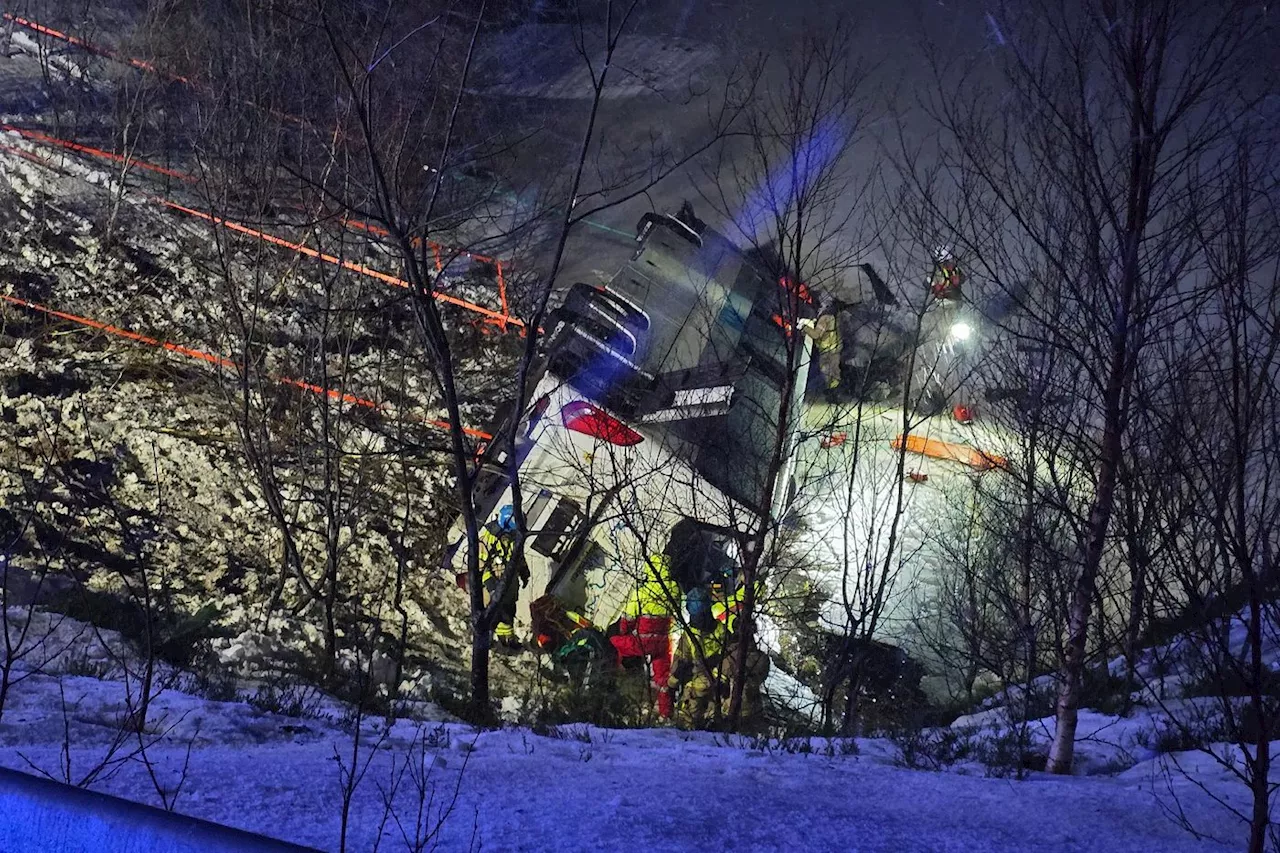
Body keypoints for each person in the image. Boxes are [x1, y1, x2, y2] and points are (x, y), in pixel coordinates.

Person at [609, 552, 678, 718]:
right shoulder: (675, 588)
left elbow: (629, 618)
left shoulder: (643, 591)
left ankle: (613, 684)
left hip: (642, 642)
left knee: (612, 643)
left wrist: (623, 631)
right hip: (663, 642)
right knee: (663, 679)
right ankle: (665, 713)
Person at [480, 504, 528, 652]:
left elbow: (518, 556)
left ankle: (507, 640)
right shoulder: (488, 538)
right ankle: (484, 639)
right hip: (493, 582)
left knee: (508, 611)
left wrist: (524, 572)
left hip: (510, 583)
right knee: (492, 612)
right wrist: (491, 586)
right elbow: (480, 565)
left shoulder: (514, 537)